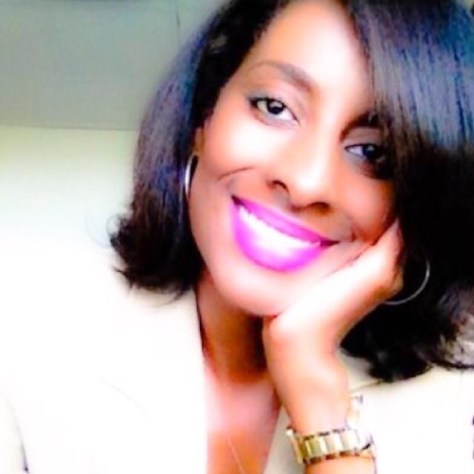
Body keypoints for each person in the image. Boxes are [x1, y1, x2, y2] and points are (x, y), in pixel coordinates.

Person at [1, 0, 474, 473]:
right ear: (204, 117)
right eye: (275, 108)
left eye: (372, 152)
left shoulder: (452, 397)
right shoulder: (31, 329)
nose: (306, 182)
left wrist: (316, 394)